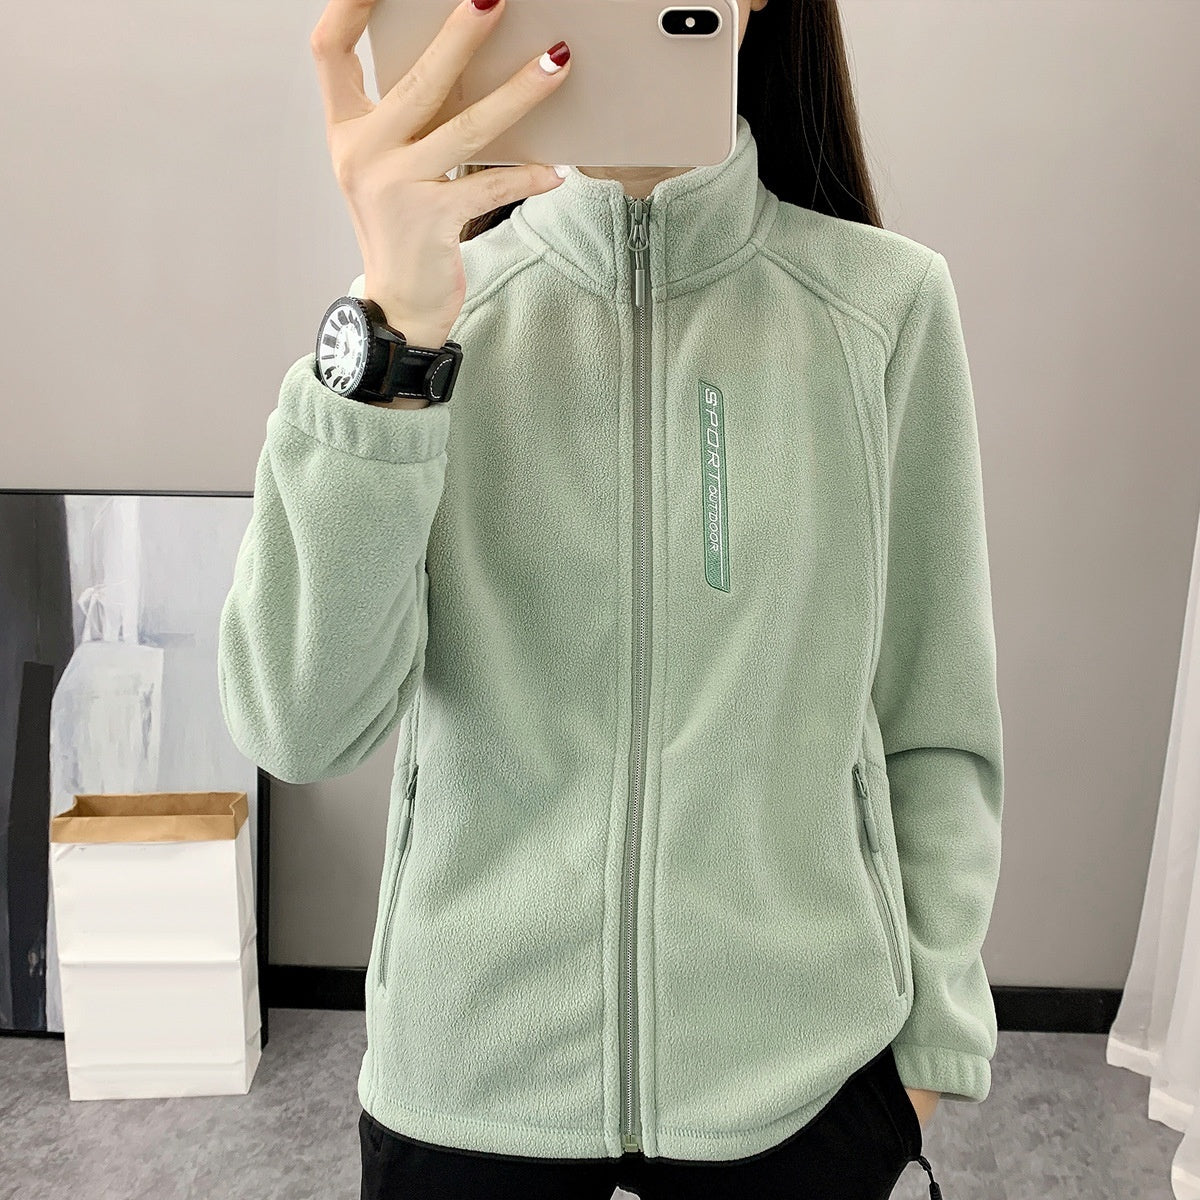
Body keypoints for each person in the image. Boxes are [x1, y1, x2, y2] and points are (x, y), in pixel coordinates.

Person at [217, 0, 1003, 1196]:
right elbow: (298, 724)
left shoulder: (883, 306)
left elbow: (936, 723)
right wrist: (397, 339)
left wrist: (925, 1057)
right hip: (468, 1086)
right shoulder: (431, 317)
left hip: (802, 1094)